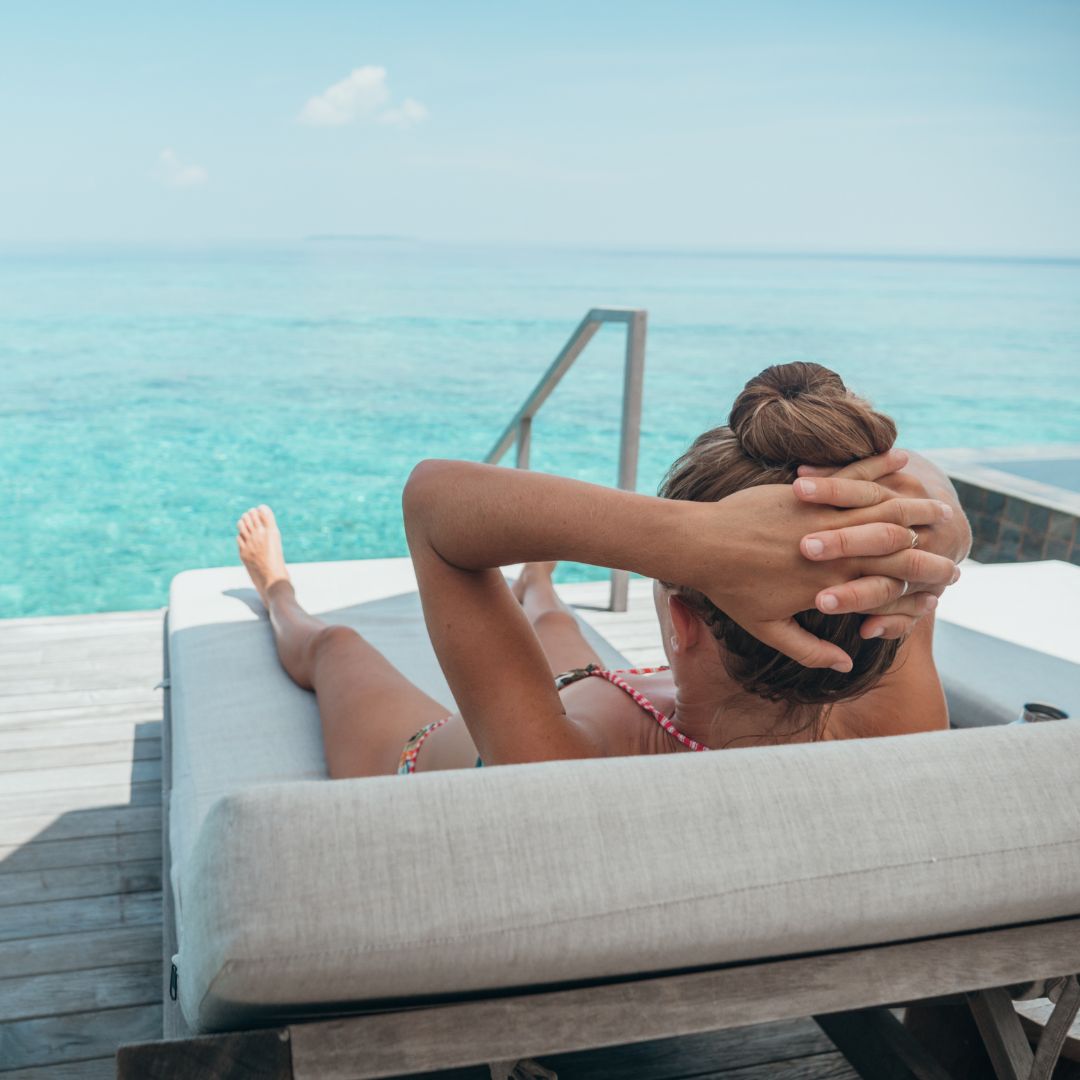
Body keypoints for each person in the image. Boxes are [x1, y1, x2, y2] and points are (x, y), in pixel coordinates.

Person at [235, 362, 969, 778]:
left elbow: (435, 504)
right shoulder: (896, 724)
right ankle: (538, 586)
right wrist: (951, 527)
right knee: (560, 630)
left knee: (337, 649)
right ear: (894, 606)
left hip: (428, 751)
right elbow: (922, 499)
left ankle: (277, 593)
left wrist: (697, 540)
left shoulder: (558, 761)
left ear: (681, 617)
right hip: (609, 697)